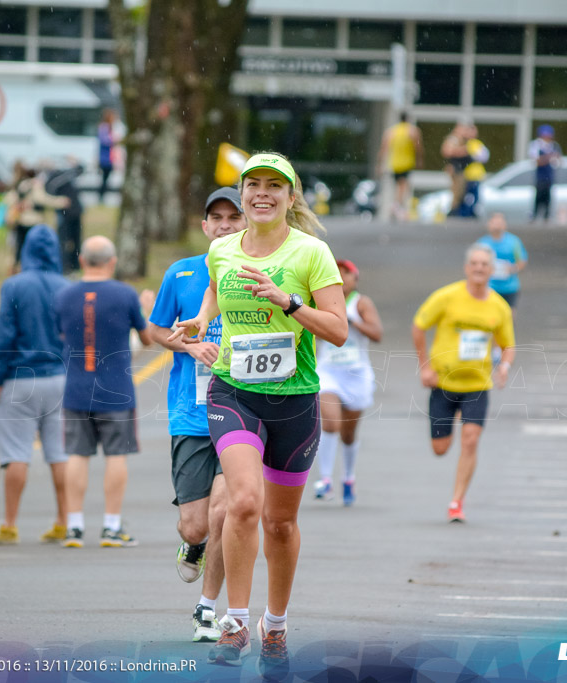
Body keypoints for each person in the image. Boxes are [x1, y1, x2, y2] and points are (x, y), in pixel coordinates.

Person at [169, 152, 347, 677]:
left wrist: (288, 302)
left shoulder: (312, 252)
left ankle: (276, 623)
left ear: (291, 199)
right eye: (253, 186)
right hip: (234, 392)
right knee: (243, 502)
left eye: (275, 186)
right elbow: (213, 291)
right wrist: (200, 321)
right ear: (242, 195)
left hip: (294, 399)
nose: (262, 194)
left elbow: (337, 329)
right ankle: (235, 622)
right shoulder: (222, 249)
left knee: (281, 521)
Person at [148, 187, 244, 642]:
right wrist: (189, 345)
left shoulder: (259, 273)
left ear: (246, 224)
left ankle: (207, 609)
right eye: (216, 219)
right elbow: (155, 331)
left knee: (227, 510)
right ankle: (193, 543)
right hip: (191, 412)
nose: (224, 225)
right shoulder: (181, 272)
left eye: (233, 218)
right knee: (198, 522)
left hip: (243, 410)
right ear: (204, 226)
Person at [54, 235, 152, 548]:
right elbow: (148, 339)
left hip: (76, 386)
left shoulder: (64, 295)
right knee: (116, 454)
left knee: (77, 455)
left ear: (82, 260)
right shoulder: (125, 294)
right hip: (116, 389)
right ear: (112, 262)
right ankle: (111, 525)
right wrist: (146, 309)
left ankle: (74, 525)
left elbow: (60, 333)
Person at [411, 243, 515, 523]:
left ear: (492, 271)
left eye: (485, 265)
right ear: (467, 268)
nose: (480, 268)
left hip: (477, 385)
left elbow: (508, 345)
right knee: (441, 448)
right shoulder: (447, 296)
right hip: (443, 383)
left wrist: (504, 367)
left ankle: (456, 501)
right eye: (475, 264)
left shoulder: (499, 306)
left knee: (470, 441)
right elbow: (419, 326)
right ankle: (445, 433)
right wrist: (425, 367)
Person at [0, 225, 70, 546]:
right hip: (59, 377)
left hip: (20, 379)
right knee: (59, 453)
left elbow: (4, 336)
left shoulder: (14, 286)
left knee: (16, 453)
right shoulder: (66, 287)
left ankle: (10, 523)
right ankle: (64, 520)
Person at [312, 259, 382, 507]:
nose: (341, 279)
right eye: (336, 274)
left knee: (349, 433)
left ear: (355, 278)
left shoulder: (361, 303)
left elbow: (377, 334)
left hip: (356, 373)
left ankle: (349, 478)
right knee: (331, 423)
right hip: (328, 371)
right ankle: (326, 479)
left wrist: (353, 323)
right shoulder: (321, 301)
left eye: (346, 274)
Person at [378, 112, 423, 220]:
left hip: (394, 163)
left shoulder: (392, 131)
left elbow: (384, 148)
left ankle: (397, 206)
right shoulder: (412, 131)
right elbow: (418, 147)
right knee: (403, 185)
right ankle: (397, 206)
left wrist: (380, 164)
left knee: (399, 185)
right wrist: (419, 159)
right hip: (406, 162)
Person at [477, 212, 528, 309]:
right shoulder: (482, 243)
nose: (497, 226)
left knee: (509, 316)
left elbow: (522, 260)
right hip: (489, 287)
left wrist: (513, 268)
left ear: (505, 225)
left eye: (499, 223)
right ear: (488, 224)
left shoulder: (514, 242)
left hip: (509, 287)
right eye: (494, 223)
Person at [46, 158, 84, 273]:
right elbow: (49, 189)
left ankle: (75, 264)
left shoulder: (70, 175)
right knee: (64, 241)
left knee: (76, 240)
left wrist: (74, 162)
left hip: (75, 212)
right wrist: (59, 201)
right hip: (63, 214)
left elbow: (81, 169)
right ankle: (64, 265)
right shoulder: (56, 177)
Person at [527, 124, 561, 223]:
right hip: (540, 176)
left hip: (549, 176)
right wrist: (548, 158)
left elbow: (558, 161)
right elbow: (536, 161)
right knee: (538, 196)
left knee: (548, 197)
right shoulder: (536, 145)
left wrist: (551, 159)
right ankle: (535, 215)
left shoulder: (554, 146)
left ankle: (547, 216)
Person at [441, 123, 473, 217]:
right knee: (456, 191)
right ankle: (453, 212)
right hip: (456, 169)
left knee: (460, 191)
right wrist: (463, 150)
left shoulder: (463, 140)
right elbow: (447, 151)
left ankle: (456, 210)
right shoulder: (453, 139)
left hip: (461, 169)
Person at [460, 125, 489, 218]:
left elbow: (484, 156)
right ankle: (467, 213)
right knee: (469, 196)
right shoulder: (467, 144)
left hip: (476, 175)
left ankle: (470, 213)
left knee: (474, 196)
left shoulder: (476, 143)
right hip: (469, 175)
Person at [97, 109, 119, 204]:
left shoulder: (109, 127)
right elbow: (105, 141)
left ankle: (102, 196)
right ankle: (101, 197)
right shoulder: (104, 127)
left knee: (106, 179)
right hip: (105, 159)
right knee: (105, 179)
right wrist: (114, 140)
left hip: (109, 158)